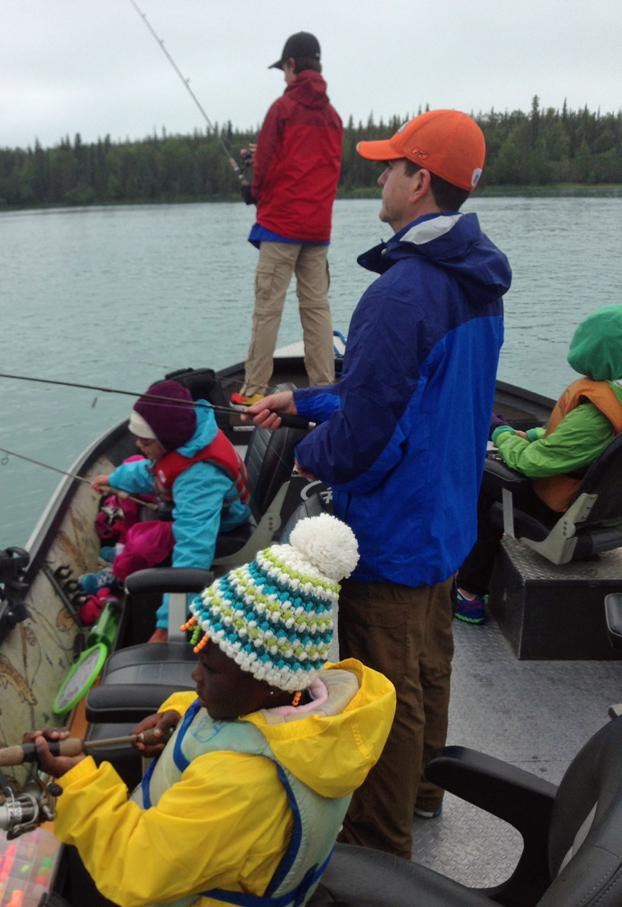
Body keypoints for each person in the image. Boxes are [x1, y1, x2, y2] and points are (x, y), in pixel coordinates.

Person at [246, 109, 512, 858]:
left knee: (383, 692)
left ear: (420, 181)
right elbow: (401, 395)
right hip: (446, 521)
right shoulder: (476, 280)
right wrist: (303, 401)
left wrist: (311, 455)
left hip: (393, 534)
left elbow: (367, 436)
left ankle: (380, 848)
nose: (379, 177)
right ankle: (425, 796)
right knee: (429, 669)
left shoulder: (401, 294)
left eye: (391, 166)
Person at [29, 514, 396, 907]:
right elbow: (233, 718)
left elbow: (137, 869)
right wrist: (177, 716)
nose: (194, 680)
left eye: (207, 665)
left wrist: (77, 782)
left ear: (266, 678)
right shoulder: (305, 704)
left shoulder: (242, 784)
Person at [456, 303, 622, 624]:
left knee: (485, 477)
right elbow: (568, 441)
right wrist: (530, 433)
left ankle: (469, 591)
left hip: (558, 511)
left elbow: (532, 464)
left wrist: (502, 433)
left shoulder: (593, 414)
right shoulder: (612, 399)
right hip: (603, 512)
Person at [81, 380, 251, 641]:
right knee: (133, 463)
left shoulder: (200, 477)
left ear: (166, 440)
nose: (138, 443)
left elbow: (193, 551)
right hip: (190, 499)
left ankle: (116, 574)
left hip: (220, 522)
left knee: (142, 541)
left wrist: (166, 626)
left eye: (146, 441)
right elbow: (153, 470)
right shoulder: (184, 438)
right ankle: (119, 556)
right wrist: (114, 479)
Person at [231, 31, 342, 407]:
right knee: (316, 308)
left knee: (268, 308)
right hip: (317, 230)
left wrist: (253, 192)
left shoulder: (281, 109)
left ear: (293, 65)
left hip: (280, 227)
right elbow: (317, 166)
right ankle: (325, 387)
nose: (282, 76)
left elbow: (263, 169)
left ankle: (253, 391)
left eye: (283, 69)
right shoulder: (333, 118)